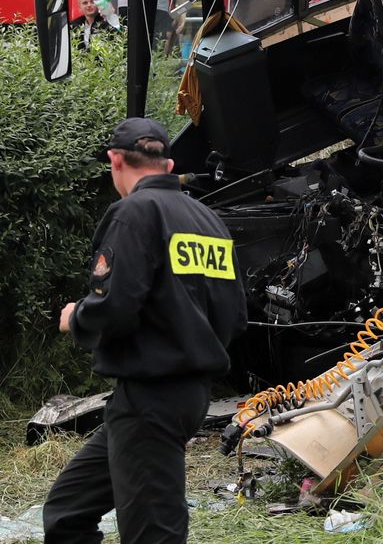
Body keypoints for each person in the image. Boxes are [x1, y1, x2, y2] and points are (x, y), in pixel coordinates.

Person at [44, 118, 247, 544]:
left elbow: (115, 307)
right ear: (169, 164)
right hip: (177, 396)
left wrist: (75, 318)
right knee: (67, 511)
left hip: (152, 399)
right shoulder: (207, 219)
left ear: (114, 161)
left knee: (153, 534)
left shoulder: (134, 213)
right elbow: (233, 315)